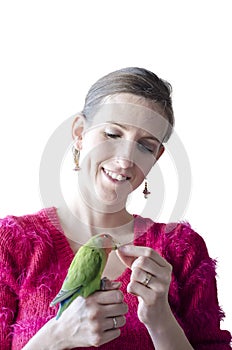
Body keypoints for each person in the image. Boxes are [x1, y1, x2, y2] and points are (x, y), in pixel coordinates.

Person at [0, 67, 231, 350]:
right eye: (112, 134)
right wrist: (56, 337)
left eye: (145, 146)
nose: (124, 161)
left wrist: (160, 321)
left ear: (156, 158)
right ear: (79, 133)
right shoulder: (11, 244)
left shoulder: (183, 250)